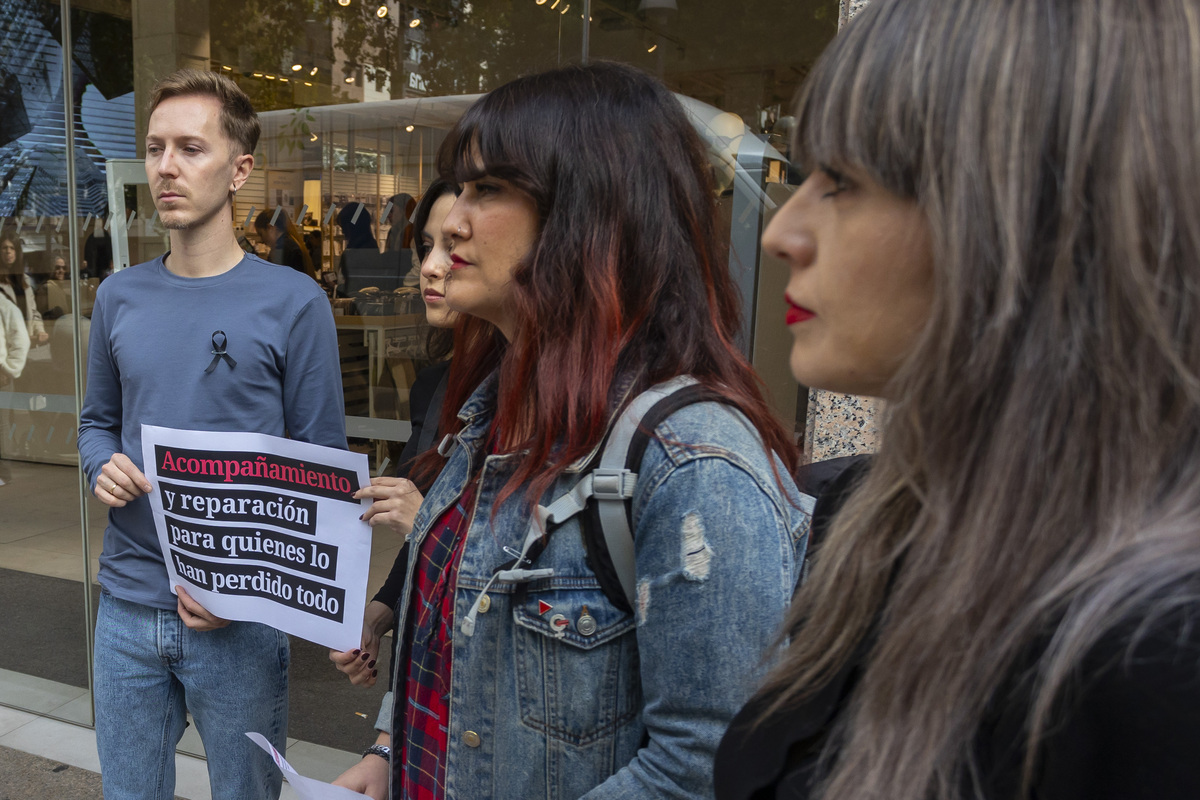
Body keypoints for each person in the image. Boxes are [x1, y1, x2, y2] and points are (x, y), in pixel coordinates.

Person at [712, 2, 1200, 799]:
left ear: (1026, 217)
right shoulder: (881, 517)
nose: (780, 232)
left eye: (842, 182)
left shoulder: (1156, 660)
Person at [333, 61, 807, 800]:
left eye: (487, 188)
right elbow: (453, 647)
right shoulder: (481, 425)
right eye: (459, 185)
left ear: (592, 211)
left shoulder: (695, 463)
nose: (451, 219)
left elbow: (706, 772)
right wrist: (391, 751)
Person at [77, 68, 345, 800]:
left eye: (191, 148)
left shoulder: (294, 303)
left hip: (241, 622)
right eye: (157, 147)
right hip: (127, 608)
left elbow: (323, 476)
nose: (166, 165)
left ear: (240, 169)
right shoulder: (118, 296)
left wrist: (252, 593)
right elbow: (96, 423)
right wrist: (101, 463)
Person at [328, 177, 462, 692]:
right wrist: (380, 614)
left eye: (457, 245)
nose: (430, 266)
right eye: (426, 246)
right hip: (429, 660)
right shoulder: (434, 386)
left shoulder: (542, 405)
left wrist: (424, 521)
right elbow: (420, 540)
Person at [0, 233, 49, 354]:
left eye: (12, 248)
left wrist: (40, 331)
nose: (8, 252)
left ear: (17, 252)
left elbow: (33, 312)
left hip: (27, 345)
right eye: (4, 248)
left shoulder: (25, 281)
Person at [0, 289, 29, 486]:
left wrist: (8, 369)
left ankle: (3, 473)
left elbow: (21, 340)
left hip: (1, 376)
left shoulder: (5, 306)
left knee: (1, 424)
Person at [255, 207, 317, 280]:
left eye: (261, 234)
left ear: (270, 228)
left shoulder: (283, 248)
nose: (262, 239)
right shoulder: (289, 243)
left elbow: (277, 280)